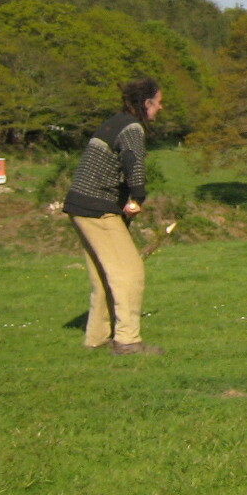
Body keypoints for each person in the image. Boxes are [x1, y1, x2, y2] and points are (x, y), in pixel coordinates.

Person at [65, 77, 166, 355]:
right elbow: (134, 161)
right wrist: (137, 198)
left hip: (79, 205)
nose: (161, 108)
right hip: (98, 207)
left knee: (104, 276)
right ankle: (128, 341)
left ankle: (97, 338)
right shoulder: (132, 128)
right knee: (131, 272)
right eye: (158, 103)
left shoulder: (115, 122)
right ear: (147, 103)